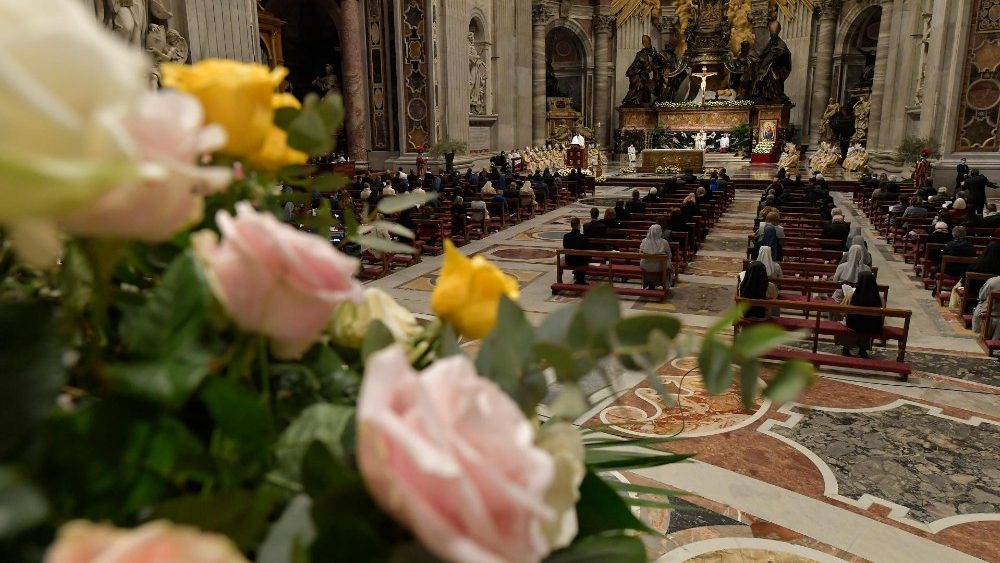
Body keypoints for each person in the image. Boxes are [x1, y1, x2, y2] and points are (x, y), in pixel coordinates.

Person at [840, 271, 885, 358]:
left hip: (853, 325)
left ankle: (847, 347)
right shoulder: (879, 298)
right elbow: (882, 314)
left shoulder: (851, 295)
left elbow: (842, 311)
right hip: (872, 326)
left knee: (845, 322)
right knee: (867, 324)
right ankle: (863, 349)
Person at [639, 224, 672, 290]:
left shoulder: (644, 241)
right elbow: (669, 255)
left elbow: (640, 252)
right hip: (660, 267)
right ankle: (664, 283)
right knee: (669, 264)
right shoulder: (664, 242)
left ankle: (650, 284)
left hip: (645, 266)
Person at [972, 274, 1000, 340]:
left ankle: (979, 331)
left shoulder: (993, 281)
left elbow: (981, 296)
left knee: (980, 304)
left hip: (991, 314)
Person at [563, 217, 590, 284]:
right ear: (579, 225)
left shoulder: (566, 236)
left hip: (569, 260)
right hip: (581, 261)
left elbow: (565, 247)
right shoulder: (583, 237)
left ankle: (578, 278)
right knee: (585, 257)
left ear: (571, 225)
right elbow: (586, 250)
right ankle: (581, 279)